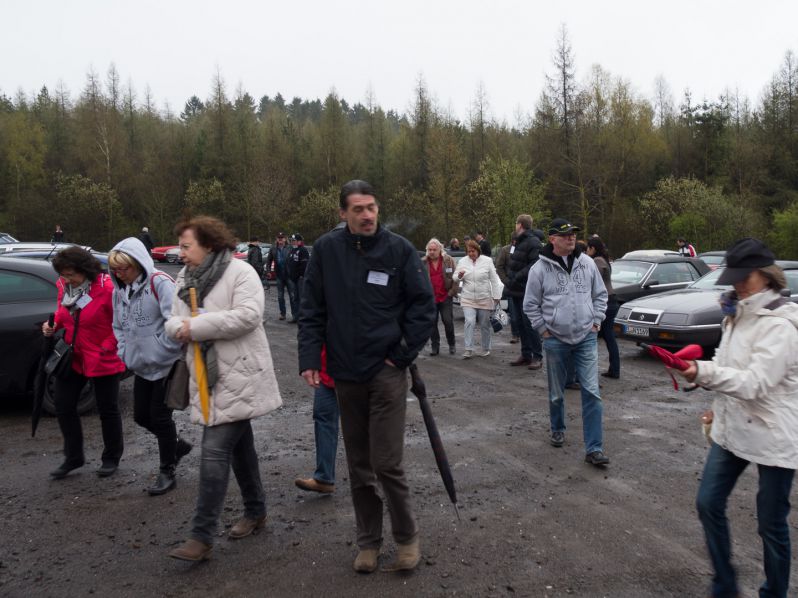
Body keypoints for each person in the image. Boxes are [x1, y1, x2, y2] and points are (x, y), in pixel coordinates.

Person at [298, 179, 434, 573]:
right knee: (359, 464)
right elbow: (312, 309)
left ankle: (407, 539)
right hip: (344, 372)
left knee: (386, 461)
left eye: (371, 207)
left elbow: (422, 306)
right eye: (357, 209)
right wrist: (310, 357)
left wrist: (401, 355)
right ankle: (369, 543)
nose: (366, 215)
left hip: (386, 371)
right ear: (343, 214)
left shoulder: (399, 250)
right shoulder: (326, 250)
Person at [672, 238, 798, 598]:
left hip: (774, 436)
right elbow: (730, 369)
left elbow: (756, 383)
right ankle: (725, 585)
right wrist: (707, 388)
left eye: (746, 276)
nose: (738, 283)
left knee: (771, 525)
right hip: (732, 428)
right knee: (708, 502)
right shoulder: (735, 314)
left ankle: (773, 592)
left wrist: (701, 372)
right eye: (735, 276)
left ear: (766, 275)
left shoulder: (780, 325)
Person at [165, 216, 282, 562]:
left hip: (239, 376)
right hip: (204, 376)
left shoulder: (240, 273)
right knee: (239, 447)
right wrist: (180, 327)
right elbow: (172, 318)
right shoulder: (185, 277)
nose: (180, 253)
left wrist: (194, 327)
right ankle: (256, 510)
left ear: (210, 244)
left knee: (214, 450)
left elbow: (248, 315)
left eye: (186, 246)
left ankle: (201, 536)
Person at [108, 237, 192, 495]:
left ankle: (167, 470)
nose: (120, 275)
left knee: (160, 417)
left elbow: (176, 319)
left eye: (125, 269)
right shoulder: (118, 291)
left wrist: (162, 349)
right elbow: (118, 326)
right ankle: (176, 446)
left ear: (139, 264)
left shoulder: (160, 283)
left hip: (166, 364)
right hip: (141, 365)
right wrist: (125, 352)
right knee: (141, 416)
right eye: (116, 270)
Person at [524, 218, 609, 466]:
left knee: (592, 392)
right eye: (565, 235)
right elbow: (530, 304)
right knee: (556, 393)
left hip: (586, 337)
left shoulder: (588, 264)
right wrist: (543, 330)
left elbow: (600, 295)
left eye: (573, 234)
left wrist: (596, 323)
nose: (571, 238)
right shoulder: (538, 269)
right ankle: (558, 427)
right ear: (552, 239)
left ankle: (594, 448)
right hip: (555, 339)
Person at [41, 246, 126, 479]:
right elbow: (62, 312)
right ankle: (73, 457)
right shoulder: (63, 286)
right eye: (63, 274)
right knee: (63, 405)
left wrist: (105, 348)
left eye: (71, 274)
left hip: (102, 356)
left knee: (107, 409)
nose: (67, 279)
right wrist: (53, 326)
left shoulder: (108, 288)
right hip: (73, 354)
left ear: (85, 270)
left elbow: (121, 324)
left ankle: (111, 457)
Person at [294, 346, 339, 494]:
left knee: (362, 422)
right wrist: (308, 363)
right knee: (323, 418)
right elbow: (310, 328)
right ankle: (324, 479)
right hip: (326, 371)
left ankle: (373, 476)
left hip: (360, 370)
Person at [506, 214, 544, 370]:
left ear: (520, 225)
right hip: (515, 289)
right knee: (520, 323)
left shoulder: (533, 242)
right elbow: (513, 261)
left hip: (526, 289)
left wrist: (517, 276)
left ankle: (537, 356)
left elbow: (535, 264)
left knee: (530, 324)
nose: (515, 226)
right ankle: (526, 354)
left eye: (516, 223)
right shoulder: (517, 241)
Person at [455, 240, 503, 359]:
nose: (471, 253)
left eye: (473, 251)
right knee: (469, 322)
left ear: (478, 250)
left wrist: (496, 296)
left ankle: (486, 348)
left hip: (484, 298)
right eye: (469, 251)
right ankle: (468, 349)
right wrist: (459, 276)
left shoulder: (487, 261)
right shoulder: (462, 261)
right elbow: (455, 277)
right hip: (468, 298)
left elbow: (494, 279)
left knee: (484, 324)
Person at [586, 237, 620, 379]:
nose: (586, 251)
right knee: (608, 335)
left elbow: (594, 280)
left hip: (606, 301)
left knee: (605, 336)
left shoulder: (597, 261)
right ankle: (614, 369)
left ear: (593, 248)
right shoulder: (604, 259)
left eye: (588, 248)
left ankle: (614, 369)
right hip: (611, 300)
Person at [422, 238, 458, 356]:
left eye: (434, 249)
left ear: (440, 249)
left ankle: (451, 344)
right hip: (430, 298)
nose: (432, 252)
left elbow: (456, 278)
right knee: (432, 323)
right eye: (430, 250)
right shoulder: (423, 262)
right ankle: (435, 346)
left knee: (447, 321)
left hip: (445, 296)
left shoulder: (448, 260)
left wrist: (452, 292)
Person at [495, 233, 520, 343]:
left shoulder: (526, 249)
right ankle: (515, 334)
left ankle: (526, 335)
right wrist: (506, 280)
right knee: (513, 314)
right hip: (511, 286)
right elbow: (499, 267)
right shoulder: (505, 250)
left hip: (524, 286)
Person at [266, 232, 291, 320]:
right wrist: (268, 271)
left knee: (292, 295)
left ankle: (295, 315)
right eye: (279, 238)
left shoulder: (290, 247)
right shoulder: (273, 248)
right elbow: (269, 261)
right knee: (280, 296)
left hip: (289, 275)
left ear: (285, 238)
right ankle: (283, 314)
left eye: (282, 238)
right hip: (279, 275)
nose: (280, 239)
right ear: (276, 239)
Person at [287, 233, 309, 323]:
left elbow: (304, 264)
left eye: (294, 240)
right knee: (295, 298)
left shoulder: (303, 250)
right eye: (292, 241)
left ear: (299, 241)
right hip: (293, 278)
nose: (293, 242)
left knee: (301, 298)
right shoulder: (292, 250)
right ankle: (296, 316)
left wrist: (300, 275)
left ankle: (302, 317)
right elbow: (289, 263)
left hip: (300, 278)